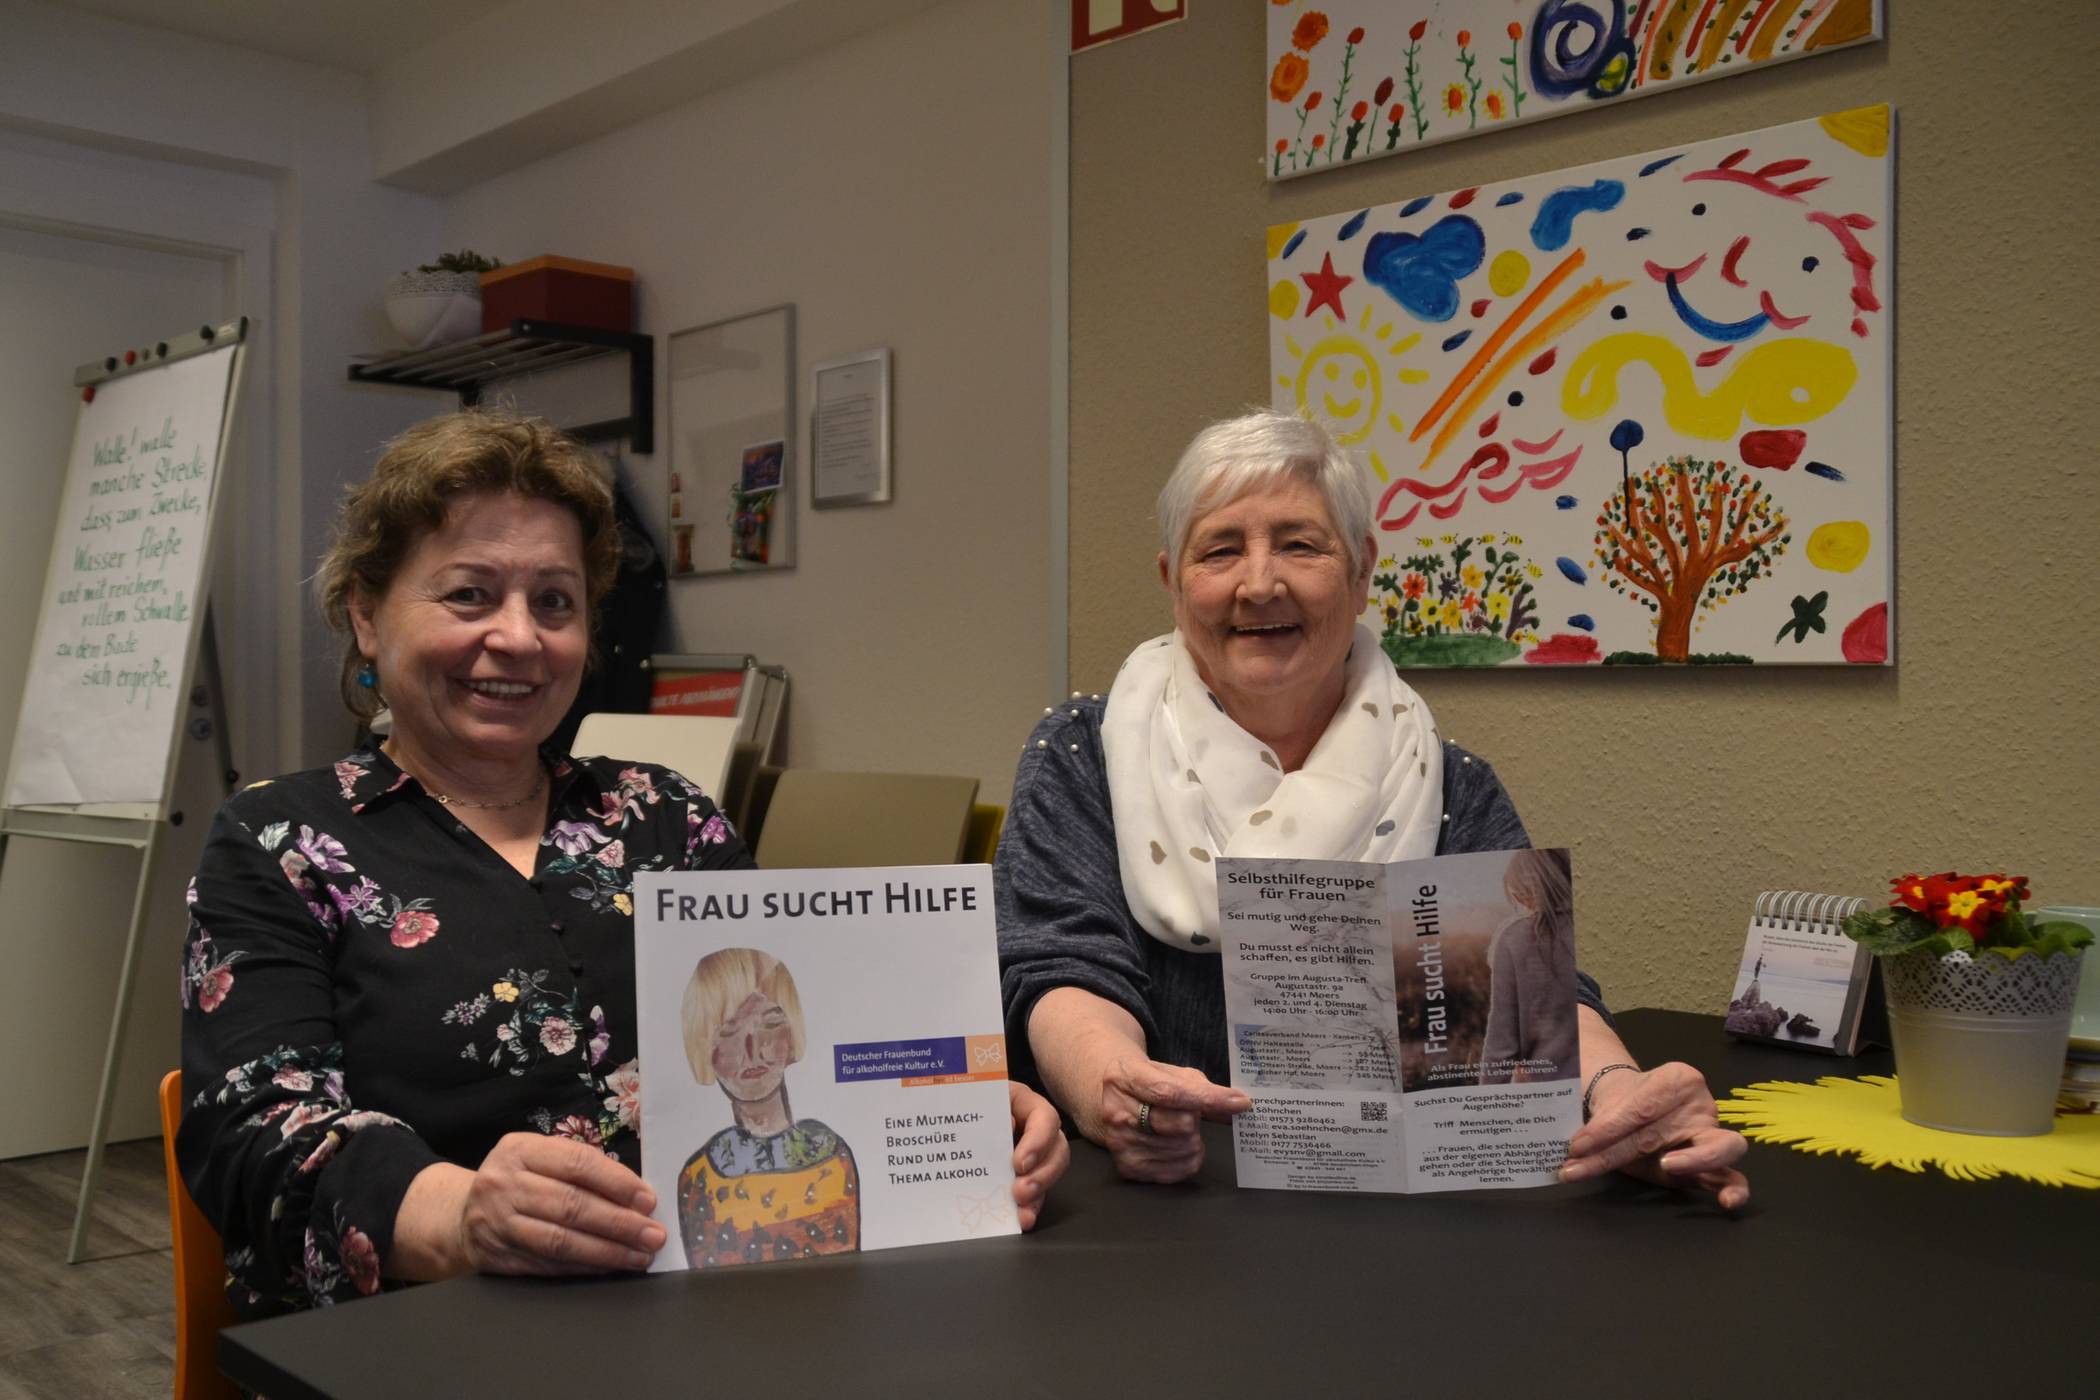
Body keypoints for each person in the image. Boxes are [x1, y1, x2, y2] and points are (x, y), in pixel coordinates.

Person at [178, 410, 1067, 1316]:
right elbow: (253, 1134)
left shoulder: (665, 814)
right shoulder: (281, 843)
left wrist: (957, 1108)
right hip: (429, 1329)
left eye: (554, 602)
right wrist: (462, 1216)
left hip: (698, 1313)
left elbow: (802, 1032)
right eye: (470, 595)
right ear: (367, 616)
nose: (520, 638)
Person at [995, 409, 1748, 1206]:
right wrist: (1112, 1087)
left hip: (1387, 1217)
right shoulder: (1083, 753)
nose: (1259, 583)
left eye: (1299, 543)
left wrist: (1618, 1097)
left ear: (1360, 573)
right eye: (1220, 550)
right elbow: (1057, 967)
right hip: (1165, 1206)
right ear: (1173, 582)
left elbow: (1538, 989)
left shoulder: (1452, 785)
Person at [674, 949, 858, 1267]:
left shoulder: (832, 1153)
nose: (753, 1049)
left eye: (771, 1024)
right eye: (728, 1032)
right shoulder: (700, 1178)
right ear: (703, 1047)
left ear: (792, 1031)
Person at [1478, 848, 1579, 1085]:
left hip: (1543, 1094)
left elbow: (1501, 1047)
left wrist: (1482, 1113)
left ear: (1526, 891)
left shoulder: (1515, 938)